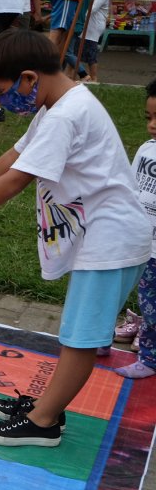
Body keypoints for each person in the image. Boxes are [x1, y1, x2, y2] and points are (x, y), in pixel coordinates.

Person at [0, 30, 149, 446]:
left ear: (27, 77)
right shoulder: (58, 103)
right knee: (78, 330)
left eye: (2, 93)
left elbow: (17, 180)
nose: (3, 103)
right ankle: (46, 407)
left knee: (82, 337)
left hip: (112, 239)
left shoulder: (64, 115)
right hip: (102, 233)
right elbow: (12, 157)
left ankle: (43, 423)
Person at [113, 80, 156, 379]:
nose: (152, 125)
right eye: (148, 117)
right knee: (138, 294)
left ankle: (150, 358)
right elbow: (132, 187)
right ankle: (135, 327)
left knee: (152, 301)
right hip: (138, 240)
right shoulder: (146, 149)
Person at [64, 0, 112, 83]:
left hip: (92, 26)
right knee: (76, 51)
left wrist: (80, 17)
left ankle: (92, 78)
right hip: (87, 24)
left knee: (88, 51)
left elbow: (92, 9)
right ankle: (69, 75)